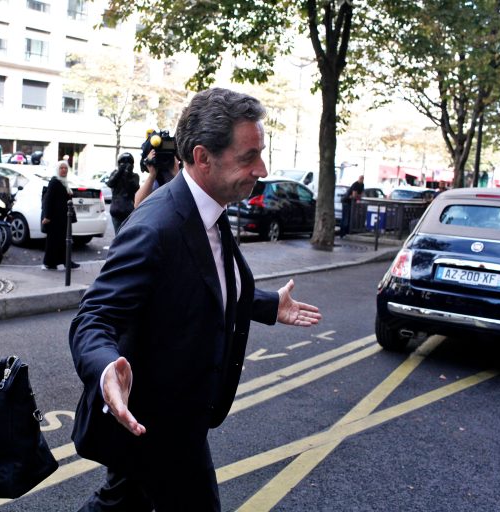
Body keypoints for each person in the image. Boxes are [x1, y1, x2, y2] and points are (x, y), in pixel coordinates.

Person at [69, 88, 322, 511]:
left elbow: (201, 281)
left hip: (179, 419)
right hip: (156, 424)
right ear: (203, 157)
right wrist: (105, 368)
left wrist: (263, 304)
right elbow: (94, 316)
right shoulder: (156, 225)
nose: (262, 169)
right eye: (249, 156)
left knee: (122, 500)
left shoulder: (210, 208)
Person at [41, 159, 80, 270]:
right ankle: (50, 263)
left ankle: (65, 261)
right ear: (57, 170)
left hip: (63, 218)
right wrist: (47, 216)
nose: (64, 170)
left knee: (63, 241)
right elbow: (48, 199)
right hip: (55, 218)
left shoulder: (64, 182)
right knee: (53, 241)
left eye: (66, 168)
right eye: (61, 168)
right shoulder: (54, 182)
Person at [106, 152, 140, 234]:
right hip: (116, 210)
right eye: (123, 162)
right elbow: (110, 183)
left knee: (128, 234)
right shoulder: (115, 174)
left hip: (129, 211)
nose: (125, 164)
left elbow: (134, 188)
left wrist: (127, 174)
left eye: (128, 162)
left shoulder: (134, 176)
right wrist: (119, 171)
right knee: (118, 235)